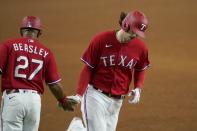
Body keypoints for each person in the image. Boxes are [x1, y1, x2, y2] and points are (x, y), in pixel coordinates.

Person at [66, 10, 150, 131]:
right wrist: (79, 95)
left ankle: (77, 129)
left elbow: (141, 68)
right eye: (133, 32)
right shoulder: (101, 40)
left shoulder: (140, 48)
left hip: (117, 102)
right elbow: (88, 69)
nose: (134, 36)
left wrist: (138, 87)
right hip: (95, 96)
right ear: (125, 25)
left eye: (138, 34)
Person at [0, 16, 77, 131]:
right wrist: (63, 100)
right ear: (39, 33)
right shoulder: (46, 52)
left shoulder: (8, 46)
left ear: (21, 31)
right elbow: (54, 84)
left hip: (13, 99)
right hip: (34, 102)